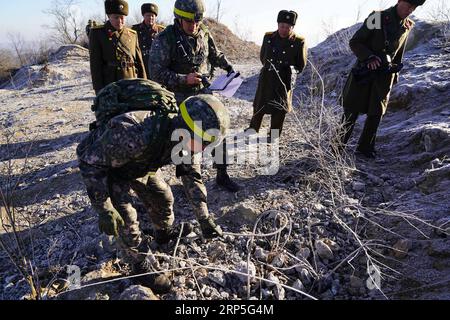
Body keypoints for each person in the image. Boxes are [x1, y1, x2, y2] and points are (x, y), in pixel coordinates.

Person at [77, 79, 229, 293]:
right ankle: (139, 264)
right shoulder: (135, 132)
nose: (201, 150)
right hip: (112, 169)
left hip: (141, 164)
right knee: (126, 219)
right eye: (201, 143)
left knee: (164, 198)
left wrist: (204, 218)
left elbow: (191, 176)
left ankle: (163, 232)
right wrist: (103, 208)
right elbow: (89, 161)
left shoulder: (184, 140)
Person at [149, 0, 240, 192]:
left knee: (219, 129)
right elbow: (156, 73)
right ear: (179, 19)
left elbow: (214, 54)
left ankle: (222, 175)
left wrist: (228, 66)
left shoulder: (203, 32)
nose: (194, 26)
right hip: (177, 96)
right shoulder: (165, 39)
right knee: (184, 139)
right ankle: (187, 178)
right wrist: (184, 79)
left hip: (203, 92)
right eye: (190, 22)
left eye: (198, 22)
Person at [339, 0, 426, 158]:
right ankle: (338, 146)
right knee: (351, 111)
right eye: (408, 5)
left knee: (376, 113)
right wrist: (369, 57)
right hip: (365, 72)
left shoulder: (407, 25)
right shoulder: (377, 18)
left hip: (384, 76)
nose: (410, 10)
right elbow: (355, 41)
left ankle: (365, 149)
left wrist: (395, 73)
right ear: (399, 1)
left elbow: (398, 53)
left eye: (414, 7)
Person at [249, 10, 307, 139]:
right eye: (282, 26)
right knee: (259, 104)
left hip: (284, 80)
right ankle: (253, 129)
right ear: (278, 25)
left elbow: (300, 64)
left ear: (292, 27)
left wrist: (290, 71)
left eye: (288, 27)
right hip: (267, 76)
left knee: (279, 109)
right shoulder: (268, 37)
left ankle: (274, 135)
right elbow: (262, 56)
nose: (284, 29)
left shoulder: (299, 41)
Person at [89, 0, 146, 95]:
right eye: (116, 17)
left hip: (130, 82)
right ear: (109, 16)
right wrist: (98, 89)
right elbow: (95, 64)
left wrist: (144, 82)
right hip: (110, 83)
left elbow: (139, 62)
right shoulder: (98, 33)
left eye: (122, 17)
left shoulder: (132, 34)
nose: (119, 21)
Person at [132, 3, 165, 74]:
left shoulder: (162, 32)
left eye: (152, 16)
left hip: (158, 69)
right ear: (143, 16)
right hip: (141, 68)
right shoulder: (134, 30)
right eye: (148, 15)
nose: (150, 18)